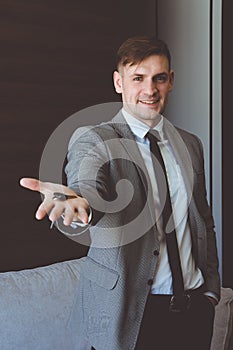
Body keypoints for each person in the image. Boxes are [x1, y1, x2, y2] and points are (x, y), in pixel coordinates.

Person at [20, 36, 220, 350]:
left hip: (194, 311)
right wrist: (78, 204)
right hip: (131, 314)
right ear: (118, 82)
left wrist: (211, 292)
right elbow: (86, 187)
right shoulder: (95, 138)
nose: (150, 90)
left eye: (159, 78)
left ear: (171, 82)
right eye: (138, 78)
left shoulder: (190, 143)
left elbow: (203, 221)